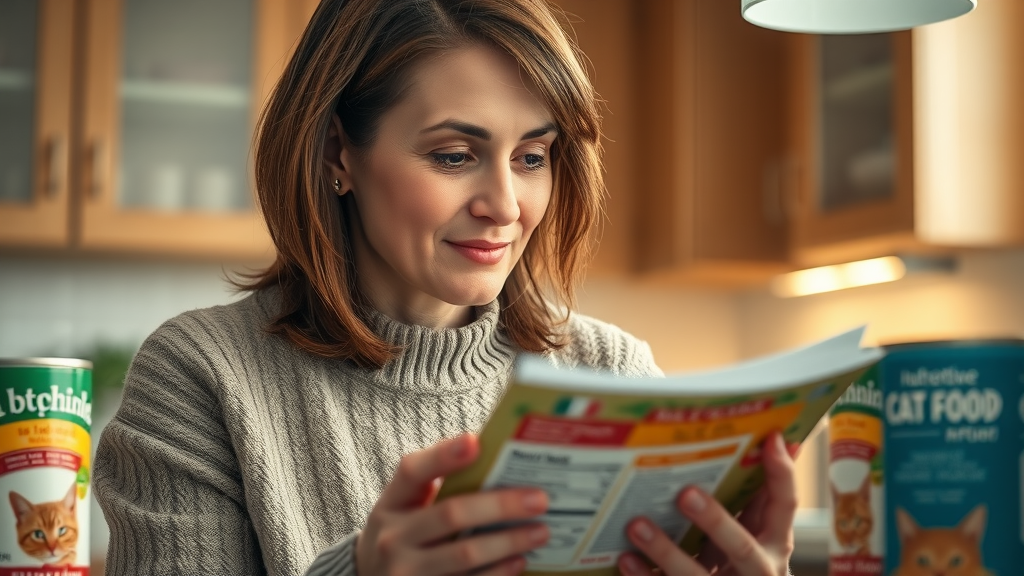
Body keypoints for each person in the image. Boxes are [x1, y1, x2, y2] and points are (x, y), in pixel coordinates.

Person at [93, 0, 798, 575]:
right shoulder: (200, 377)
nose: (506, 203)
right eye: (454, 155)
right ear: (339, 151)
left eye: (531, 157)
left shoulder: (611, 372)